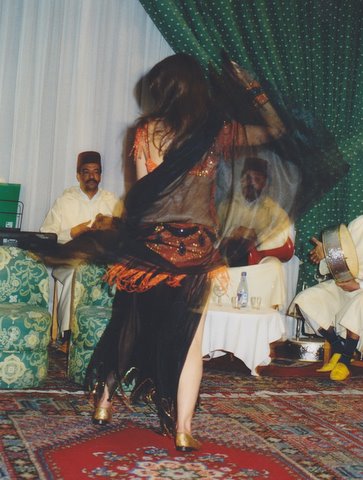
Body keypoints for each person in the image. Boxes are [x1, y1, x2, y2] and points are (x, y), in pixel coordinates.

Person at [86, 53, 292, 453]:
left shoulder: (146, 132)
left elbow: (143, 196)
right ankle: (182, 428)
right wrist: (252, 88)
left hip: (149, 251)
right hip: (196, 253)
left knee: (128, 326)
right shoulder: (218, 132)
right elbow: (278, 130)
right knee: (191, 342)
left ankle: (104, 404)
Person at [40, 151, 122, 339]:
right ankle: (69, 332)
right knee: (76, 272)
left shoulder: (112, 201)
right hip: (68, 259)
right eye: (86, 172)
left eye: (96, 172)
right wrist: (71, 232)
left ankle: (113, 334)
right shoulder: (64, 201)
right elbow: (45, 234)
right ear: (78, 175)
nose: (91, 176)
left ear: (100, 175)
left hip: (102, 260)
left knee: (123, 273)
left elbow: (123, 234)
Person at [289, 215, 363, 381]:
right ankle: (338, 347)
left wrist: (359, 286)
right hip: (344, 284)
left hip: (361, 290)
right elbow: (341, 255)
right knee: (306, 300)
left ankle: (345, 360)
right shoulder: (359, 223)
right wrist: (327, 252)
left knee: (361, 302)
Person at [218, 156, 293, 266]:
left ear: (264, 184)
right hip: (227, 265)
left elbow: (281, 237)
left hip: (258, 267)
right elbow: (215, 236)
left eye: (257, 179)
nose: (251, 183)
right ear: (241, 180)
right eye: (248, 178)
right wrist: (233, 234)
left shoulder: (273, 210)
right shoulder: (226, 206)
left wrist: (255, 235)